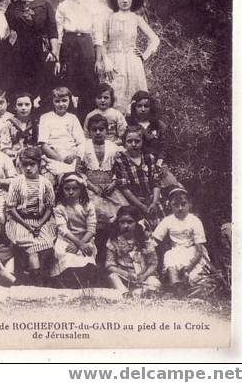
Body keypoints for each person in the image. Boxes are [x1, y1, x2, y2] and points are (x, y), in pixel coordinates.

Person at [103, 0, 160, 114]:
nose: (125, 0)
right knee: (115, 95)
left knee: (135, 98)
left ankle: (135, 130)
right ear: (116, 0)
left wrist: (144, 56)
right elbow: (104, 42)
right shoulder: (109, 18)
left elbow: (155, 39)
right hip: (114, 62)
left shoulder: (136, 19)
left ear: (132, 0)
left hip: (133, 62)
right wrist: (106, 60)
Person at [78, 114, 128, 264]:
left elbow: (121, 172)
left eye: (101, 129)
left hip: (110, 190)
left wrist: (113, 184)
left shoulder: (113, 148)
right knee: (89, 216)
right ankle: (93, 257)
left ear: (107, 131)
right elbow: (79, 171)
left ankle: (113, 256)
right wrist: (92, 187)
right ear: (89, 131)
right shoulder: (83, 147)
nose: (98, 133)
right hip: (90, 189)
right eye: (94, 130)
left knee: (120, 213)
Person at [55, 0, 104, 123]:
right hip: (68, 45)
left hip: (86, 44)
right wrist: (57, 58)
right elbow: (58, 34)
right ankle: (69, 121)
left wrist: (98, 59)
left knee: (89, 83)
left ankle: (88, 122)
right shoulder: (63, 6)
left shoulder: (93, 5)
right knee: (69, 81)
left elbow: (98, 33)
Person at [5, 0, 59, 103]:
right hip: (19, 53)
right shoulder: (12, 7)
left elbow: (53, 32)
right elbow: (6, 31)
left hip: (40, 52)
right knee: (20, 89)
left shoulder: (45, 6)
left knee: (41, 89)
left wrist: (54, 54)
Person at [5, 147, 56, 286]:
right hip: (20, 221)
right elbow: (11, 208)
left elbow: (50, 207)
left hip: (40, 220)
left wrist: (39, 225)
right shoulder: (16, 182)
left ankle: (42, 277)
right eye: (24, 165)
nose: (28, 168)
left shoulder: (45, 183)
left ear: (39, 165)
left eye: (32, 164)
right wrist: (27, 225)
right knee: (32, 246)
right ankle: (37, 280)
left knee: (47, 244)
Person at [153, 188, 210, 297]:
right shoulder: (168, 220)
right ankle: (176, 287)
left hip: (193, 252)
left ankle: (187, 285)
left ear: (190, 204)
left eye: (183, 204)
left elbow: (199, 249)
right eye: (175, 205)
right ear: (170, 206)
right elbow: (155, 239)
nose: (180, 208)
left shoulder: (194, 221)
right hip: (177, 251)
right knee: (169, 256)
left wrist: (189, 267)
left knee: (195, 279)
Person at [126, 90, 180, 201]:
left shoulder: (158, 125)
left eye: (146, 106)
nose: (142, 109)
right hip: (137, 166)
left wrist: (159, 161)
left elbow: (164, 146)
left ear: (151, 108)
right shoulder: (130, 125)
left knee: (173, 190)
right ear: (134, 107)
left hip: (157, 164)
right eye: (139, 106)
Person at [51, 172, 98, 288]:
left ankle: (83, 284)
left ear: (81, 189)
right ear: (62, 190)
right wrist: (78, 244)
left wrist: (80, 244)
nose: (71, 192)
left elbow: (91, 229)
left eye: (75, 189)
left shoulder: (88, 206)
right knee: (67, 258)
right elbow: (63, 229)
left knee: (87, 258)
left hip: (85, 238)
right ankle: (69, 284)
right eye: (67, 189)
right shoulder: (60, 207)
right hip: (67, 240)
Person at [114, 125, 164, 229]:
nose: (133, 144)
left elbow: (156, 182)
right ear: (124, 142)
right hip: (133, 202)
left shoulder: (149, 158)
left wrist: (154, 202)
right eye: (129, 141)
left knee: (159, 229)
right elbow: (124, 187)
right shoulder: (121, 160)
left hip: (151, 201)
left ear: (142, 141)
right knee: (139, 230)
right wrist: (140, 205)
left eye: (137, 141)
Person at [105, 205, 161, 297]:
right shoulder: (114, 240)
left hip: (143, 276)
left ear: (136, 222)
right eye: (122, 222)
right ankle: (126, 293)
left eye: (130, 222)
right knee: (112, 277)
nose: (126, 226)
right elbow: (109, 265)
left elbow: (153, 263)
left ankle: (140, 292)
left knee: (155, 282)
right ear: (118, 223)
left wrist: (144, 276)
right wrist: (126, 274)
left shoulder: (145, 239)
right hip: (125, 277)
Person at [38, 86, 85, 176]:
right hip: (53, 156)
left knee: (74, 173)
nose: (61, 104)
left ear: (69, 101)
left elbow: (81, 142)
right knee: (56, 172)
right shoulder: (45, 117)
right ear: (52, 101)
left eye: (64, 100)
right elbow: (43, 144)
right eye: (57, 101)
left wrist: (74, 156)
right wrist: (61, 159)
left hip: (71, 156)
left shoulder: (73, 118)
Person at [5, 92, 39, 162]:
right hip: (13, 157)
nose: (23, 108)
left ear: (32, 106)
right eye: (20, 105)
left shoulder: (37, 123)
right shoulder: (9, 124)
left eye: (27, 104)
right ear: (15, 107)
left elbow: (40, 145)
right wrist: (16, 153)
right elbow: (4, 148)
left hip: (33, 158)